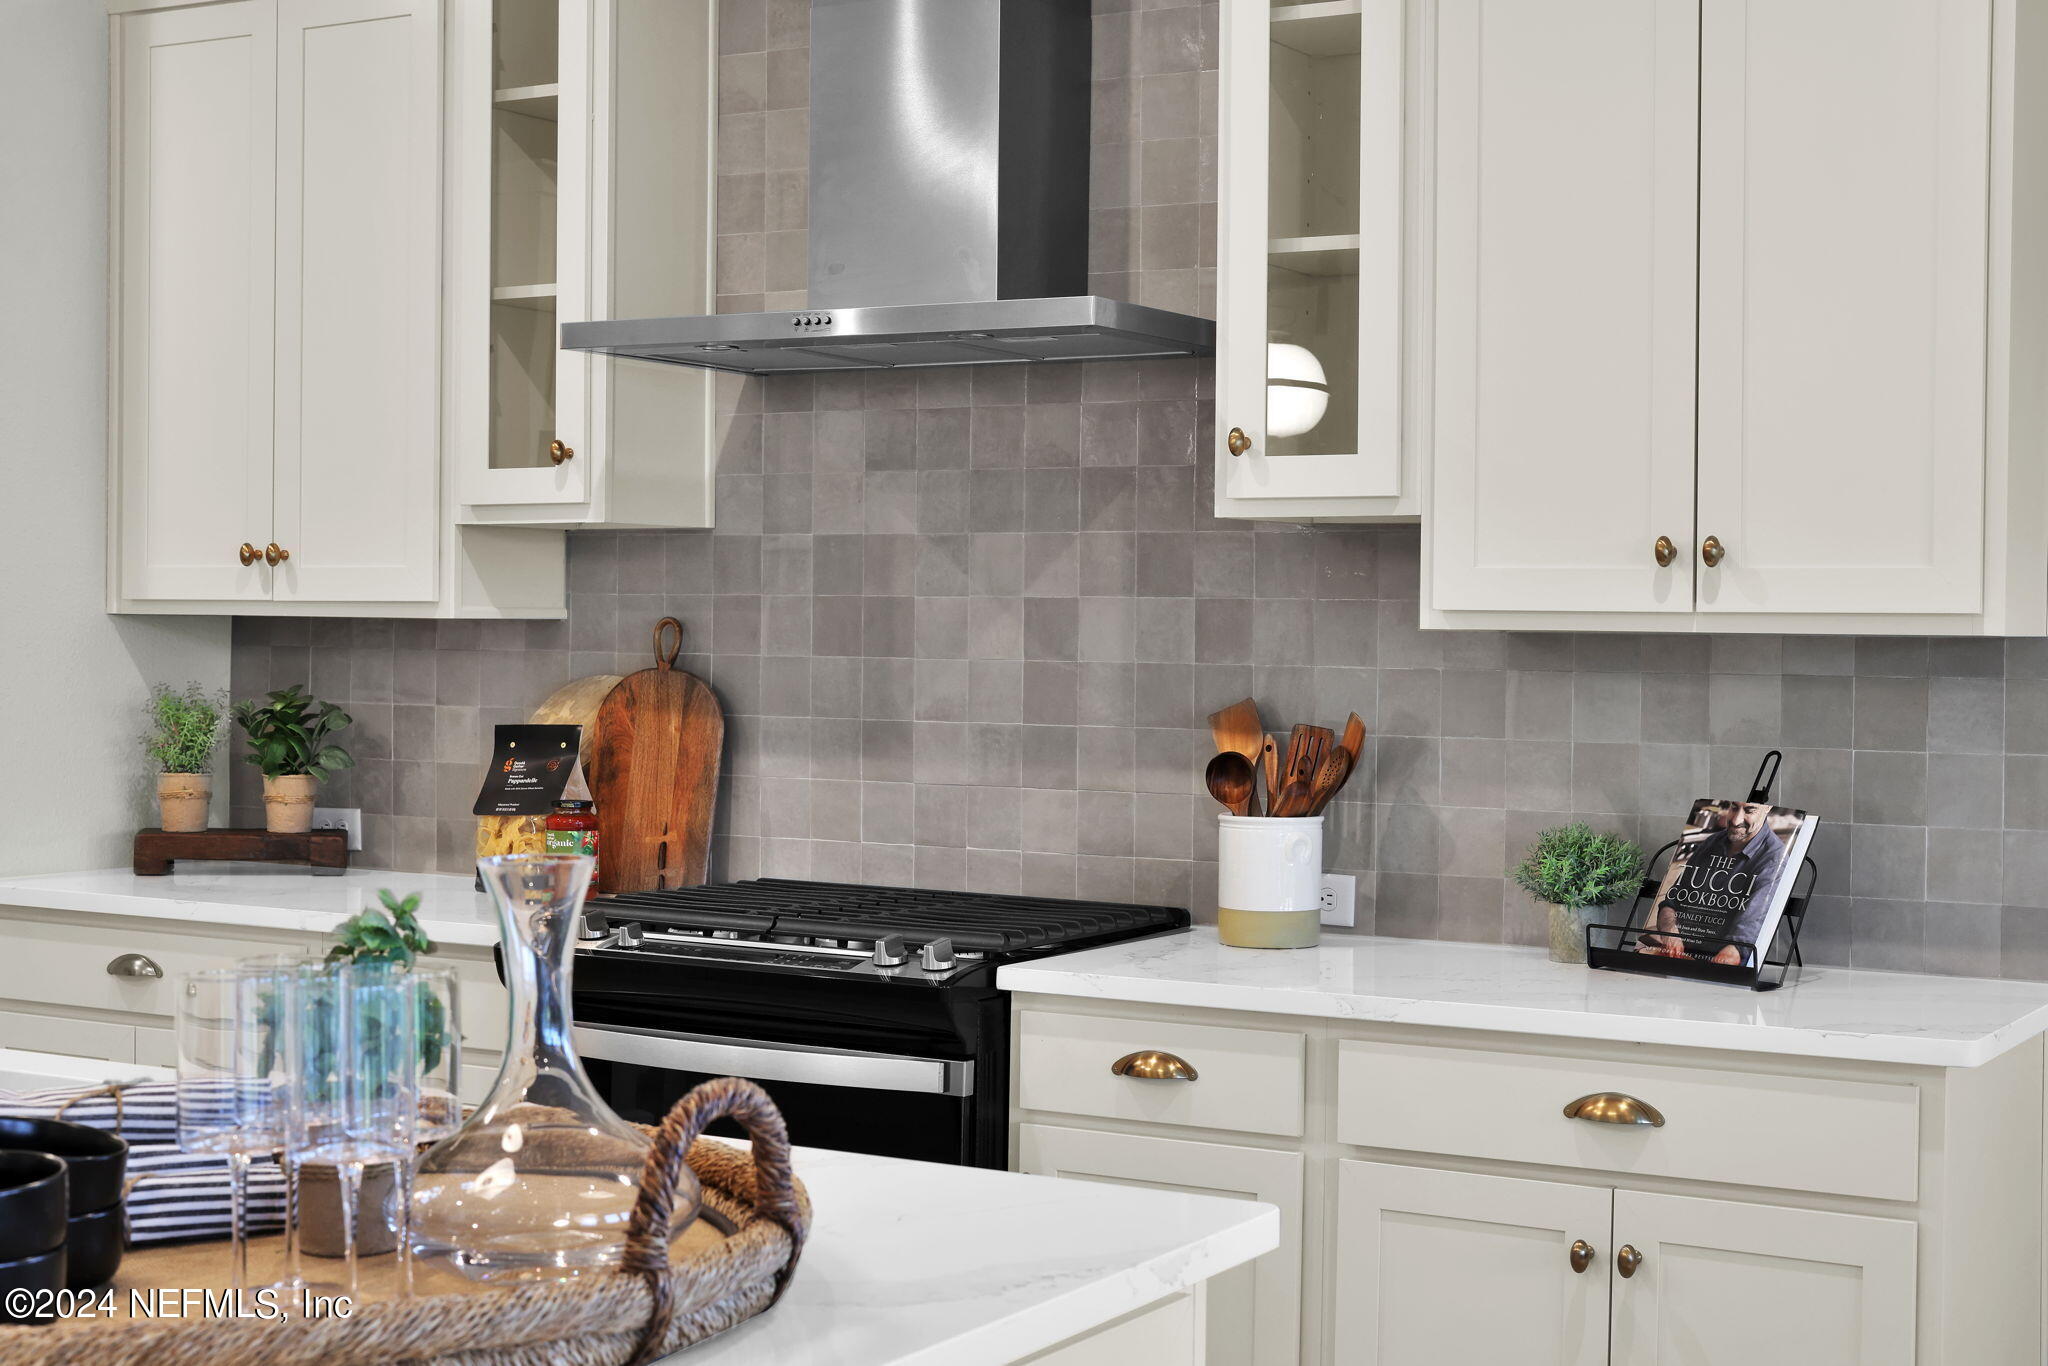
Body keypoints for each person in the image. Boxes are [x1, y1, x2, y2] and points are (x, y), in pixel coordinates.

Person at [1639, 802, 1787, 965]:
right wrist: (1670, 933)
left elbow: (1748, 928)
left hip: (1724, 958)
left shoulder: (1774, 858)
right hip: (1681, 949)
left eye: (1749, 811)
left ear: (1767, 809)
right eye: (1734, 808)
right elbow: (1671, 902)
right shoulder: (1712, 841)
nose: (1736, 820)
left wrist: (1733, 950)